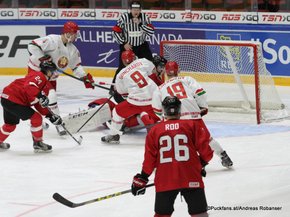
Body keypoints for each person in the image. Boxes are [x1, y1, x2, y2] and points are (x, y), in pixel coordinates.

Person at [131, 96, 213, 217]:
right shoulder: (192, 125)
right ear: (180, 110)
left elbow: (150, 159)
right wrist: (200, 165)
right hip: (191, 176)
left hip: (165, 180)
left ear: (164, 111)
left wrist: (142, 178)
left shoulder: (155, 130)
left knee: (161, 215)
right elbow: (207, 153)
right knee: (200, 214)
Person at [152, 61, 233, 168]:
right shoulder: (187, 79)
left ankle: (162, 162)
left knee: (172, 140)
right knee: (207, 139)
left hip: (175, 118)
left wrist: (165, 118)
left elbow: (157, 109)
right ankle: (224, 156)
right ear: (179, 70)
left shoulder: (159, 88)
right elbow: (200, 93)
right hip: (193, 115)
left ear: (165, 72)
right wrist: (202, 106)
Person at [27, 21, 95, 136]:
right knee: (49, 96)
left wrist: (84, 76)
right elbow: (32, 45)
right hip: (37, 72)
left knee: (44, 100)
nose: (75, 37)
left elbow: (75, 66)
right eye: (74, 34)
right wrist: (43, 59)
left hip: (52, 77)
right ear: (67, 33)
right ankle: (59, 124)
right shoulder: (52, 40)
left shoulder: (73, 50)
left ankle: (37, 119)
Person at [101, 50, 162, 144]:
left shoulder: (120, 75)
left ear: (123, 61)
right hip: (154, 98)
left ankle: (114, 135)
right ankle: (172, 133)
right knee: (164, 116)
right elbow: (154, 72)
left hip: (136, 102)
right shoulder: (142, 61)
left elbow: (123, 94)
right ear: (134, 57)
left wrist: (116, 89)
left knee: (117, 112)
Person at [0, 61, 62, 153]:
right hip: (14, 99)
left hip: (8, 98)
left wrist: (49, 115)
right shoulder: (39, 76)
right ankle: (38, 143)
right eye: (53, 71)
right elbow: (29, 87)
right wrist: (40, 96)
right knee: (36, 118)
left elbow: (37, 103)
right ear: (48, 72)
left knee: (10, 125)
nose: (55, 74)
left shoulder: (44, 85)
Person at [112, 0, 154, 103]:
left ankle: (154, 86)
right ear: (130, 9)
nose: (136, 11)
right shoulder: (124, 17)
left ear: (140, 10)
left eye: (138, 9)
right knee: (122, 68)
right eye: (134, 9)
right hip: (128, 46)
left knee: (151, 65)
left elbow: (151, 31)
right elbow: (115, 31)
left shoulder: (145, 18)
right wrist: (123, 43)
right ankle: (114, 89)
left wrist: (140, 25)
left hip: (142, 45)